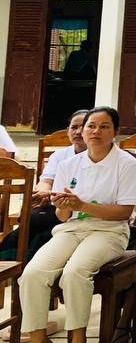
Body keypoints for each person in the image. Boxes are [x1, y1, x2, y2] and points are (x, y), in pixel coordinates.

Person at [18, 107, 136, 343]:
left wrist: (82, 205)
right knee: (33, 273)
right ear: (82, 132)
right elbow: (63, 216)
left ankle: (78, 337)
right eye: (90, 126)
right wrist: (64, 205)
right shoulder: (68, 165)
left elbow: (124, 212)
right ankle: (38, 338)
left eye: (104, 126)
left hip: (109, 231)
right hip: (71, 229)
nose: (96, 131)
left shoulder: (128, 164)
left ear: (116, 132)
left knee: (75, 272)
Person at [1, 110, 89, 261]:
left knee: (36, 224)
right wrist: (41, 192)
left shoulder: (98, 157)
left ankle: (19, 264)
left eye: (84, 126)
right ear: (67, 130)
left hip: (81, 208)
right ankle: (12, 264)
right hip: (55, 206)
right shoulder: (59, 156)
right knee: (33, 220)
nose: (78, 132)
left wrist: (49, 195)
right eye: (74, 127)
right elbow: (46, 181)